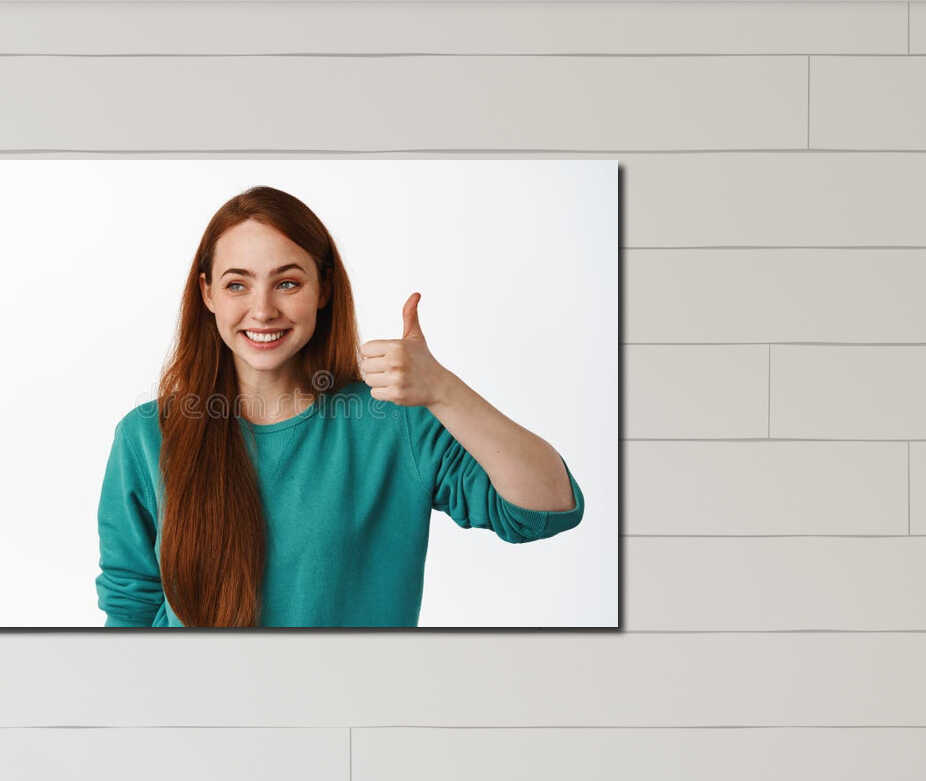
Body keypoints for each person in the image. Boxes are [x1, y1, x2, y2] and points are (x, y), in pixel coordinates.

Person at [94, 185, 583, 628]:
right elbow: (129, 610)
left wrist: (442, 389)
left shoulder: (395, 423)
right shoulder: (146, 436)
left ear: (323, 290)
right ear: (207, 294)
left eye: (287, 283)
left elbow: (545, 510)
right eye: (237, 284)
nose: (262, 309)